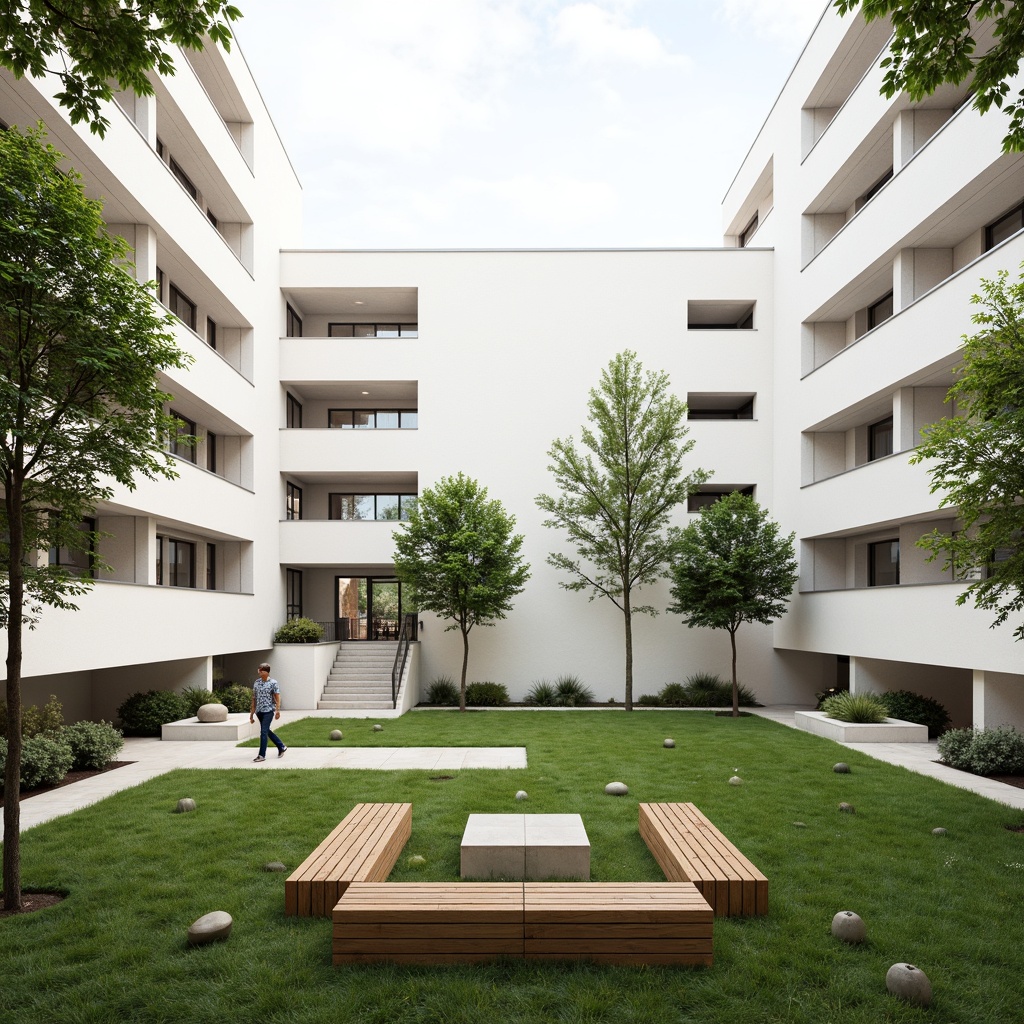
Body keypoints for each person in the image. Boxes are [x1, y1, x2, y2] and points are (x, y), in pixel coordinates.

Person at [249, 662, 287, 762]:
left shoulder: (273, 683)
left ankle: (261, 755)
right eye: (259, 669)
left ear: (266, 672)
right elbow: (254, 698)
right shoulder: (256, 682)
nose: (259, 671)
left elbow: (277, 697)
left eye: (261, 670)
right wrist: (252, 714)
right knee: (266, 731)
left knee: (263, 732)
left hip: (268, 711)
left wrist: (278, 710)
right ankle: (281, 746)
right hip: (259, 711)